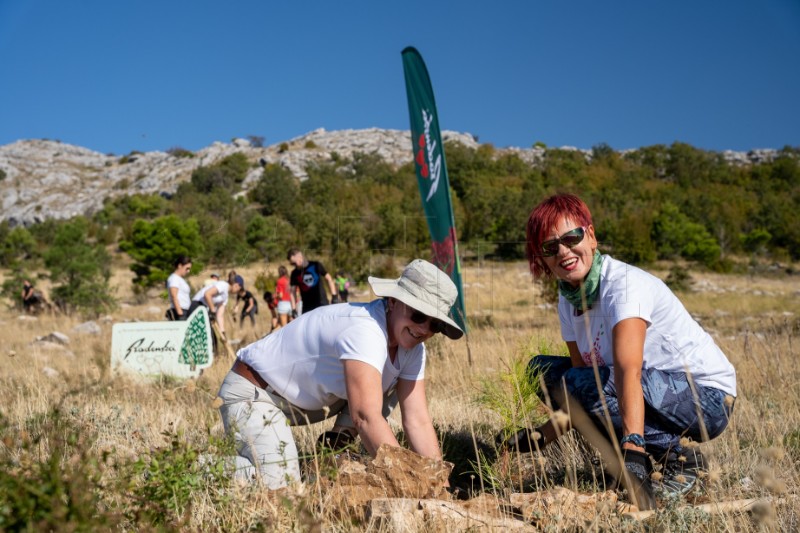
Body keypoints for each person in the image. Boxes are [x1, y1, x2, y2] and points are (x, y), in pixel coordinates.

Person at [504, 193, 737, 508]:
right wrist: (542, 436)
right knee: (543, 372)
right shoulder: (568, 300)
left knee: (581, 382)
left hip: (706, 398)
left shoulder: (624, 286)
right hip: (648, 389)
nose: (563, 251)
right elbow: (582, 395)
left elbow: (629, 370)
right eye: (549, 247)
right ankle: (623, 465)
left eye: (572, 237)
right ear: (542, 258)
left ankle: (680, 462)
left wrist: (634, 447)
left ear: (592, 236)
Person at [216, 259, 464, 489]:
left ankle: (331, 453)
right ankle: (200, 468)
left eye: (435, 324)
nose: (423, 329)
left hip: (304, 401)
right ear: (393, 301)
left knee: (383, 386)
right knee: (283, 489)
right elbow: (365, 417)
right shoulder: (365, 330)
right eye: (418, 315)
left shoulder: (413, 349)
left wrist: (437, 485)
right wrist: (403, 478)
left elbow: (417, 420)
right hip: (255, 394)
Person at [287, 248, 337, 315]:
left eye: (296, 261)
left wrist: (334, 296)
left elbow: (329, 278)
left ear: (300, 255)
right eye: (293, 263)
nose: (295, 264)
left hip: (321, 303)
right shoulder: (294, 273)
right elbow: (292, 292)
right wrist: (293, 309)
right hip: (307, 307)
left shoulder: (316, 265)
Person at [192, 273, 242, 338]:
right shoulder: (223, 285)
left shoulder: (226, 296)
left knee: (212, 338)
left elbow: (220, 315)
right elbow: (207, 294)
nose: (238, 291)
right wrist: (213, 310)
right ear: (236, 285)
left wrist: (222, 332)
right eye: (239, 289)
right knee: (204, 337)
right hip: (197, 307)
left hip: (205, 310)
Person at [165, 256, 193, 321]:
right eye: (187, 268)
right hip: (180, 311)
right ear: (180, 265)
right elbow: (174, 296)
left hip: (186, 310)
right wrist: (180, 314)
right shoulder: (174, 278)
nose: (188, 271)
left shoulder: (180, 279)